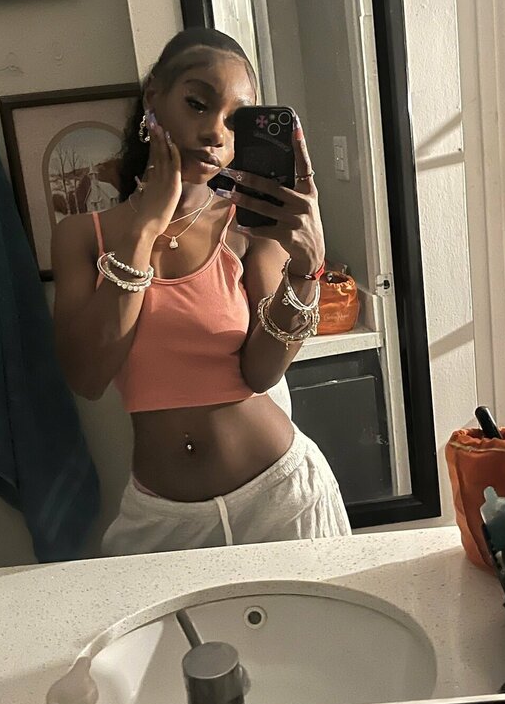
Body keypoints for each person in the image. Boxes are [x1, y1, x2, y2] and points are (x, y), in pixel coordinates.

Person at [52, 27, 351, 555]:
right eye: (198, 103)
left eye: (236, 120)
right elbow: (87, 378)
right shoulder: (82, 237)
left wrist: (306, 271)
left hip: (282, 499)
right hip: (164, 522)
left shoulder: (248, 228)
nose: (215, 131)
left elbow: (262, 373)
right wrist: (144, 229)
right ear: (154, 97)